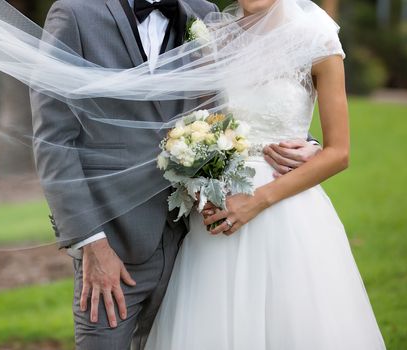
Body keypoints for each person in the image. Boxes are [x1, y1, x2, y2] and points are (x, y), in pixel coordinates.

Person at [32, 0, 321, 348]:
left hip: (196, 245)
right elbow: (53, 139)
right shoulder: (75, 14)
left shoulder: (203, 12)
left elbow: (232, 103)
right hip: (115, 246)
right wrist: (90, 244)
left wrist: (306, 145)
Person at [144, 0, 386, 349]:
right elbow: (201, 127)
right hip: (219, 212)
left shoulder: (317, 40)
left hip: (288, 212)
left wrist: (255, 201)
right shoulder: (215, 38)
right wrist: (197, 182)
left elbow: (339, 153)